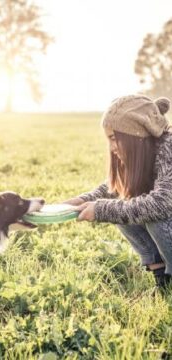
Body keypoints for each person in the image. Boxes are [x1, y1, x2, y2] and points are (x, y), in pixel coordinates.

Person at [64, 94, 172, 289]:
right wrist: (83, 200)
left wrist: (101, 210)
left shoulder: (169, 148)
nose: (112, 147)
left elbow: (161, 204)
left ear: (135, 135)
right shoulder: (145, 151)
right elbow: (116, 189)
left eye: (114, 139)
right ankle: (163, 281)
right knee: (122, 206)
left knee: (152, 214)